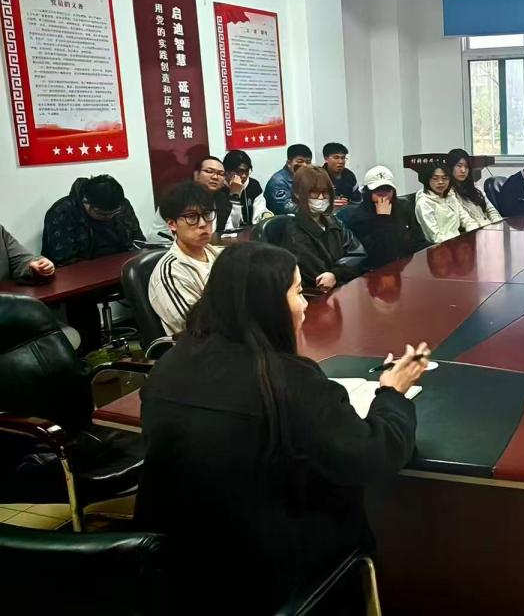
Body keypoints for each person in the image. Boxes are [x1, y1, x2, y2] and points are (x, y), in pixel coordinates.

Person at [135, 242, 429, 613]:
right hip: (266, 575)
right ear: (268, 305)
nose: (304, 304)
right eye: (296, 292)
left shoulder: (170, 364)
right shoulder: (287, 381)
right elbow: (372, 457)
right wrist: (393, 394)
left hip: (175, 568)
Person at [148, 182, 222, 336]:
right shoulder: (171, 273)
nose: (203, 224)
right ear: (172, 224)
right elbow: (196, 328)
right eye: (191, 217)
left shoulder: (218, 254)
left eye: (207, 214)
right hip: (203, 346)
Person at [281, 166, 367, 293]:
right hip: (318, 296)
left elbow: (359, 254)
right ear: (298, 194)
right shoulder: (294, 232)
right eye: (314, 193)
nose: (321, 198)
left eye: (325, 192)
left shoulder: (334, 221)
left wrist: (335, 274)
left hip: (344, 289)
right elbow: (320, 276)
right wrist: (341, 272)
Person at [42, 175, 144, 266]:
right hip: (81, 273)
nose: (110, 217)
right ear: (86, 202)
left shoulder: (122, 205)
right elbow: (64, 260)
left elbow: (138, 242)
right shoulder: (62, 212)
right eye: (103, 214)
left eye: (114, 213)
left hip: (121, 267)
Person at [346, 165, 428, 270]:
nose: (383, 196)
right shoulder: (359, 217)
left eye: (387, 190)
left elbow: (419, 241)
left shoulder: (403, 208)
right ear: (367, 193)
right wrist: (383, 219)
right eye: (378, 191)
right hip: (377, 271)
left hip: (406, 266)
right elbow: (381, 257)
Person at [151, 156, 228, 240]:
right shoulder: (180, 195)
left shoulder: (220, 198)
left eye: (221, 174)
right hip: (165, 243)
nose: (215, 177)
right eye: (209, 171)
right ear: (196, 174)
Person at [415, 162, 476, 244]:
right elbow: (435, 237)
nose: (440, 182)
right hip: (440, 247)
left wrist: (474, 233)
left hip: (458, 242)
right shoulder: (424, 203)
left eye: (444, 178)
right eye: (435, 178)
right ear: (427, 179)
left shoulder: (450, 197)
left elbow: (466, 219)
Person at [447, 148, 502, 228]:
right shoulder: (449, 192)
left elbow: (491, 210)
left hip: (489, 227)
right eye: (459, 166)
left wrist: (498, 226)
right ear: (450, 167)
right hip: (473, 230)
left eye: (466, 167)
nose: (463, 170)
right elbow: (465, 221)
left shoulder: (475, 187)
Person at [221, 149, 270, 232]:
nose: (244, 176)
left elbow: (260, 210)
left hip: (252, 232)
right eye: (239, 172)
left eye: (247, 171)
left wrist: (264, 214)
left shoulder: (253, 184)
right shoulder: (220, 189)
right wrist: (235, 195)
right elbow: (232, 225)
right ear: (226, 172)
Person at [266, 144, 314, 215]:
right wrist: (314, 209)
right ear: (289, 163)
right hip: (282, 220)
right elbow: (288, 207)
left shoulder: (308, 177)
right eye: (300, 161)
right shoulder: (278, 181)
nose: (304, 165)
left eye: (308, 162)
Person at [322, 142, 360, 207]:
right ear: (326, 158)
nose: (341, 161)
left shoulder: (349, 175)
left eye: (343, 158)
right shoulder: (318, 176)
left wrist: (349, 203)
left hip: (347, 210)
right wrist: (329, 204)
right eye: (336, 157)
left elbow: (357, 199)